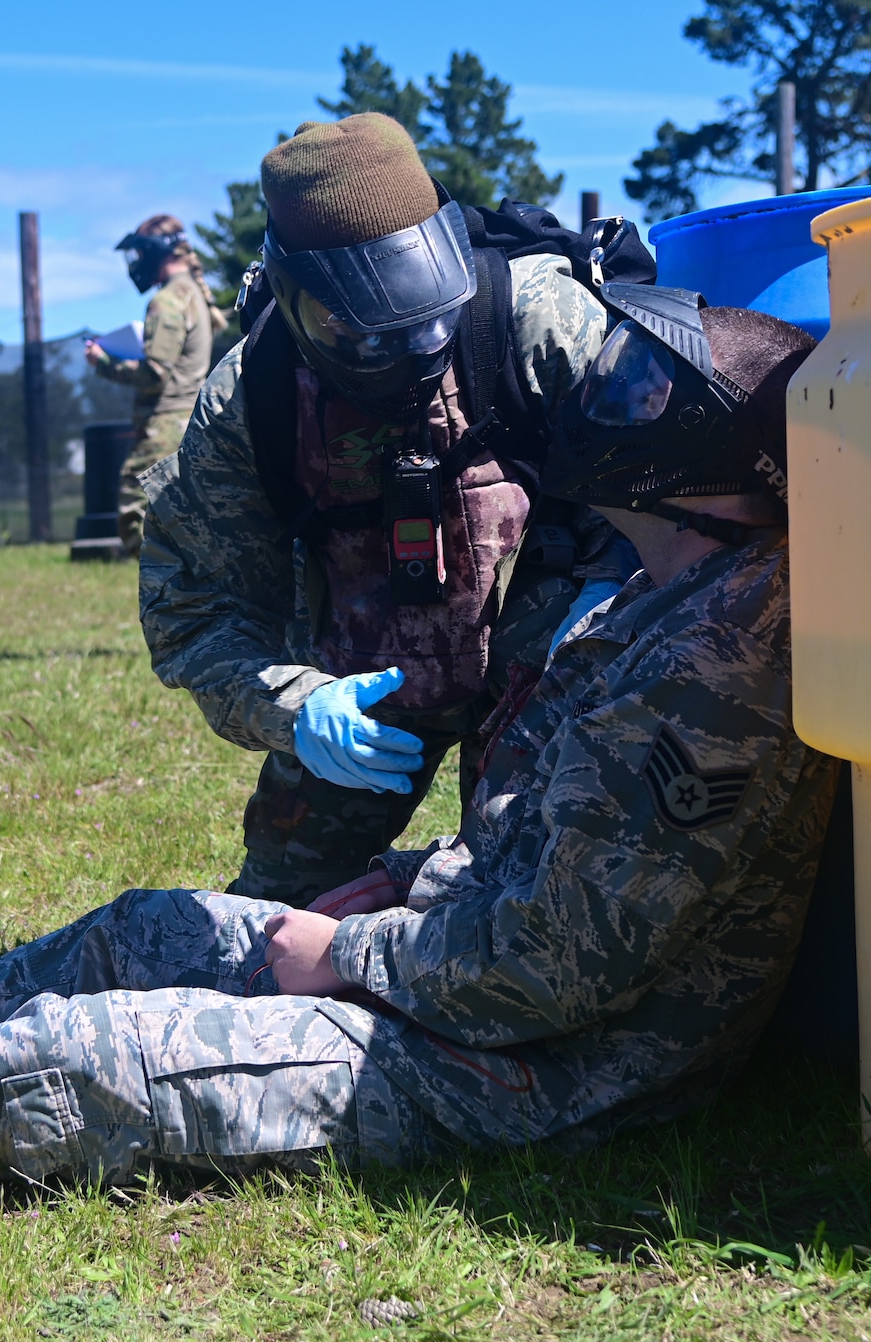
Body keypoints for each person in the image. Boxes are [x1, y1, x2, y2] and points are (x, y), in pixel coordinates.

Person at [0, 295, 840, 1198]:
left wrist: (340, 952)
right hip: (468, 965)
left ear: (684, 456)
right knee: (147, 928)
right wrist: (401, 886)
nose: (594, 400)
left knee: (86, 1057)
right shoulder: (643, 586)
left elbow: (553, 972)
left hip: (537, 1068)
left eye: (636, 399)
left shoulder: (721, 661)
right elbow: (545, 843)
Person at [139, 114, 646, 909]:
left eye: (428, 316)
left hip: (540, 669)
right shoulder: (254, 396)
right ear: (298, 300)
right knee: (278, 920)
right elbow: (192, 610)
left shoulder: (535, 317)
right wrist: (299, 707)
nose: (418, 347)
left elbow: (671, 492)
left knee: (533, 900)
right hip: (363, 684)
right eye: (371, 334)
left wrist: (605, 601)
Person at [84, 216, 223, 557]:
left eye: (140, 252)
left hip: (165, 425)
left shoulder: (168, 299)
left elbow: (154, 374)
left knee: (139, 521)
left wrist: (102, 360)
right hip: (191, 421)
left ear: (158, 251)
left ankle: (169, 601)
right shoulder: (194, 294)